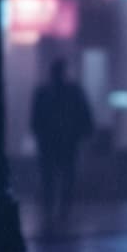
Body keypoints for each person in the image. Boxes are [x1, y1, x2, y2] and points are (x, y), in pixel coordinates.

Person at [31, 58, 95, 225]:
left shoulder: (44, 93)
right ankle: (57, 209)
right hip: (61, 141)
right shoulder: (71, 92)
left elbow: (35, 119)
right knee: (59, 177)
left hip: (59, 141)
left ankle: (56, 209)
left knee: (56, 177)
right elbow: (84, 115)